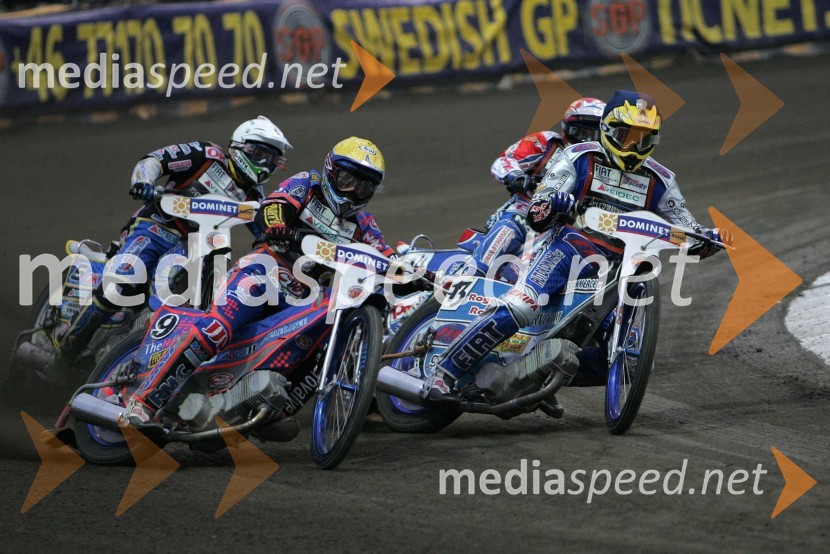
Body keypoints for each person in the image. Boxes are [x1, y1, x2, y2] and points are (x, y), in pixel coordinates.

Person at [424, 90, 733, 397]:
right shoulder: (578, 156)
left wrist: (709, 239)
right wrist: (553, 203)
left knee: (633, 359)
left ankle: (535, 378)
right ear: (610, 131)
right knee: (523, 306)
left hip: (615, 273)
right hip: (566, 249)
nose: (635, 146)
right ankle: (443, 371)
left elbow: (687, 227)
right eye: (628, 136)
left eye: (644, 138)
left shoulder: (662, 179)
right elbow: (537, 211)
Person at [122, 136, 393, 424]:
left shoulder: (366, 226)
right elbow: (274, 206)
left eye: (364, 185)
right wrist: (278, 227)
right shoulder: (308, 184)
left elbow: (384, 256)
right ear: (330, 171)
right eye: (348, 178)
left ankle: (257, 406)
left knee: (319, 342)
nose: (353, 190)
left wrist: (417, 275)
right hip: (263, 272)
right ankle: (143, 402)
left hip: (303, 300)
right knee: (217, 327)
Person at [45, 116, 293, 378]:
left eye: (272, 159)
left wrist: (283, 240)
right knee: (122, 279)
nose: (266, 164)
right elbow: (155, 160)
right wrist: (143, 181)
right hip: (156, 225)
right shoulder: (205, 155)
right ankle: (66, 350)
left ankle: (145, 355)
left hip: (192, 245)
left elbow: (266, 233)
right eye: (261, 154)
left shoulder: (255, 197)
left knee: (171, 296)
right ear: (241, 147)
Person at [461, 98, 606, 279]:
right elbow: (504, 160)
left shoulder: (606, 164)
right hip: (528, 212)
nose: (587, 139)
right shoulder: (545, 142)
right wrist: (516, 176)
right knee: (513, 225)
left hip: (576, 224)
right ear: (569, 129)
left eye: (594, 134)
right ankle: (470, 276)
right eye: (583, 132)